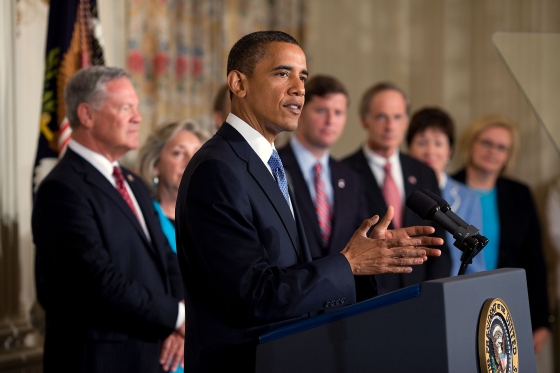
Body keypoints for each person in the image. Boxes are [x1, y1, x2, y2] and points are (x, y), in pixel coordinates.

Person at [175, 31, 443, 372]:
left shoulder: (268, 162)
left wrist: (366, 261)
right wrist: (348, 264)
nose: (299, 88)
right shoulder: (218, 169)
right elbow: (252, 295)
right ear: (238, 83)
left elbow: (293, 269)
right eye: (282, 73)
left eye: (303, 77)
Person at [32, 66, 185, 373]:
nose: (138, 118)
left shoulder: (132, 181)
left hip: (153, 354)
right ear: (87, 115)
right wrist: (178, 317)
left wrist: (176, 324)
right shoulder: (61, 189)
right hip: (98, 362)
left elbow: (167, 260)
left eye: (137, 108)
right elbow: (98, 281)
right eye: (125, 108)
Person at [452, 113, 550, 353]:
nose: (492, 151)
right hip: (458, 302)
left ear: (508, 156)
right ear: (470, 143)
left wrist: (541, 321)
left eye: (501, 147)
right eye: (486, 142)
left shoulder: (519, 194)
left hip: (508, 304)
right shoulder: (447, 188)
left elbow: (534, 260)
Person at [342, 82, 451, 295]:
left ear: (406, 122)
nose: (390, 125)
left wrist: (433, 294)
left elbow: (440, 244)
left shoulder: (423, 172)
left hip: (422, 296)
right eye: (381, 117)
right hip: (370, 300)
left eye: (398, 117)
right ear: (365, 120)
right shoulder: (344, 173)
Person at [277, 75, 375, 300]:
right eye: (321, 111)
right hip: (292, 301)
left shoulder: (351, 178)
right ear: (300, 111)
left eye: (338, 112)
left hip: (340, 304)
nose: (330, 120)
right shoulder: (274, 166)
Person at [406, 107, 485, 276]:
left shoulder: (468, 197)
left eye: (438, 143)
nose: (430, 151)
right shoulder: (402, 192)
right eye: (422, 142)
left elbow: (476, 261)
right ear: (408, 148)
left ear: (449, 150)